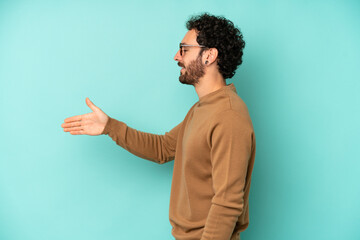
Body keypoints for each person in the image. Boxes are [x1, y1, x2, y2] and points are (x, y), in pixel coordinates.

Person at [61, 13, 256, 240]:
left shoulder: (228, 116)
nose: (176, 56)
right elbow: (163, 148)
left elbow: (227, 202)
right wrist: (109, 127)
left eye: (184, 48)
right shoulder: (203, 109)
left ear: (209, 55)